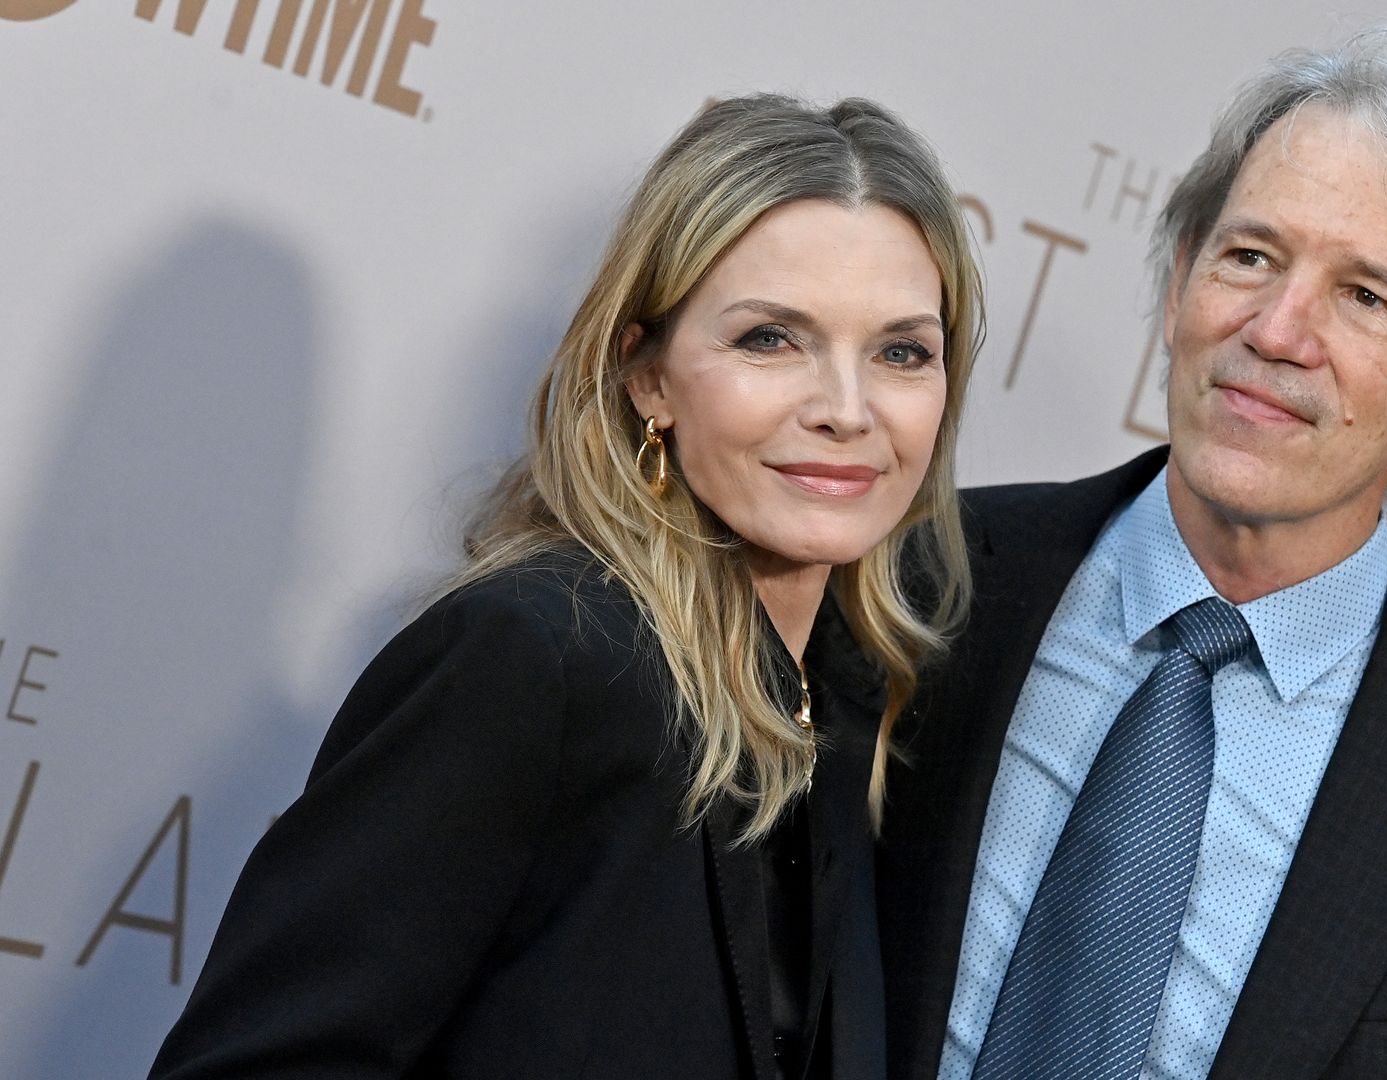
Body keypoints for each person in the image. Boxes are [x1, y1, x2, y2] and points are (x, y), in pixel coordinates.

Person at [877, 15, 1387, 1080]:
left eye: (1366, 297)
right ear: (1180, 283)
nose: (1278, 331)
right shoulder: (915, 575)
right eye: (1250, 256)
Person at [150, 93, 983, 1080]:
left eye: (900, 352)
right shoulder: (531, 661)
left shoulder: (851, 707)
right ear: (647, 376)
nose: (847, 409)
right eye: (770, 338)